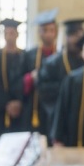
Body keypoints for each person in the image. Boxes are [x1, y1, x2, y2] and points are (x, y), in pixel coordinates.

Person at [37, 18, 84, 138]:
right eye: (74, 36)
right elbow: (43, 89)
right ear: (67, 38)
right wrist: (67, 89)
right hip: (60, 115)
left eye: (81, 36)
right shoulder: (53, 62)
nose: (77, 40)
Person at [0, 19, 27, 148]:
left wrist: (19, 102)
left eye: (12, 32)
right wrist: (7, 104)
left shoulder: (26, 57)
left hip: (21, 110)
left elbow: (26, 81)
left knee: (19, 146)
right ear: (3, 35)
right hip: (0, 111)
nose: (10, 35)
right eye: (7, 32)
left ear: (17, 34)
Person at [22, 8, 59, 138]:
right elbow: (19, 81)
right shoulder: (29, 55)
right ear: (39, 32)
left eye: (51, 30)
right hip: (34, 106)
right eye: (44, 30)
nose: (48, 34)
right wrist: (30, 78)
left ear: (56, 32)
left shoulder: (62, 56)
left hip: (56, 107)